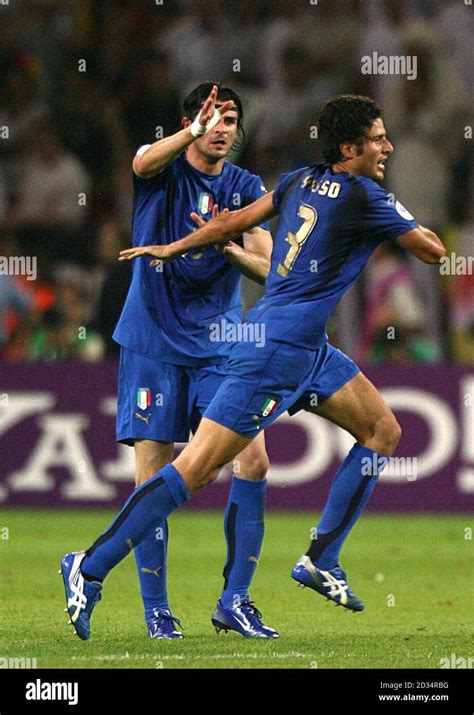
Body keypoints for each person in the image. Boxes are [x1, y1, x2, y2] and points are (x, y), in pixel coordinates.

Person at [61, 94, 445, 640]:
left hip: (306, 345)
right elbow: (431, 251)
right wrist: (394, 211)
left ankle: (320, 559)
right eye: (379, 138)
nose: (388, 146)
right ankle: (90, 566)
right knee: (194, 470)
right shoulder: (366, 195)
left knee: (383, 429)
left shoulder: (296, 182)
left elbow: (232, 223)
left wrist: (175, 247)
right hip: (275, 350)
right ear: (349, 148)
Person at [108, 84, 276, 639]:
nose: (224, 127)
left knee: (253, 460)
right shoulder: (164, 171)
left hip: (221, 344)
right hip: (152, 341)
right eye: (214, 118)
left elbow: (270, 269)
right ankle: (157, 610)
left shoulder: (245, 187)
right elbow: (140, 159)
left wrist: (224, 239)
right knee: (152, 476)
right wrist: (189, 134)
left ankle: (235, 600)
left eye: (232, 119)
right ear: (191, 122)